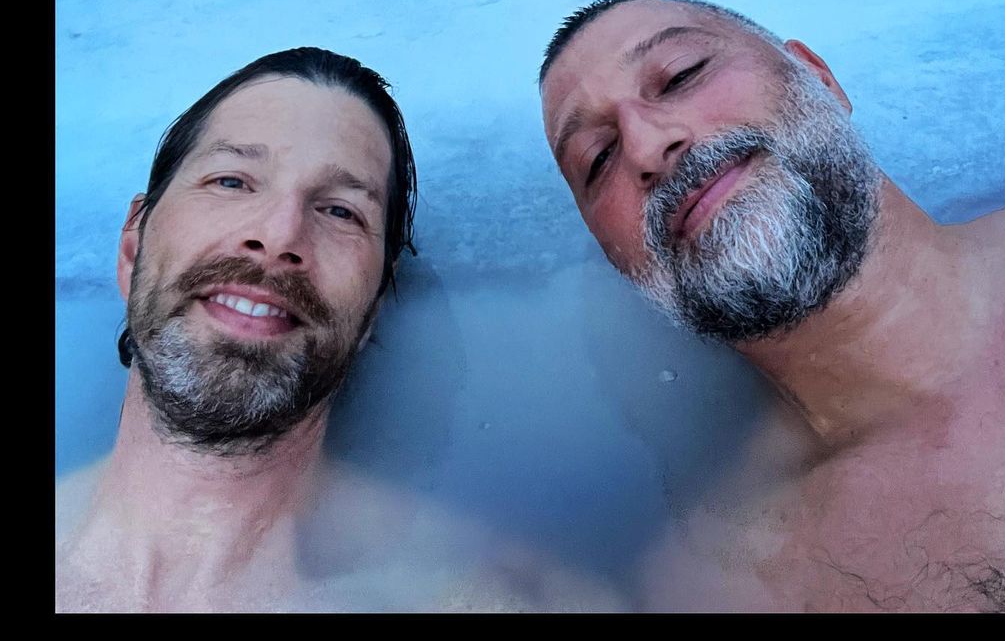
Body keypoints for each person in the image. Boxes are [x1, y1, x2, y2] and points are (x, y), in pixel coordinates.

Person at [57, 47, 619, 613]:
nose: (279, 236)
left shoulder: (482, 599)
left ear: (372, 309)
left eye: (340, 211)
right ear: (133, 247)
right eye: (232, 181)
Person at [540, 0, 1005, 614]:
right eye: (597, 159)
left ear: (820, 78)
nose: (645, 145)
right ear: (616, 260)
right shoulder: (723, 583)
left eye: (682, 74)